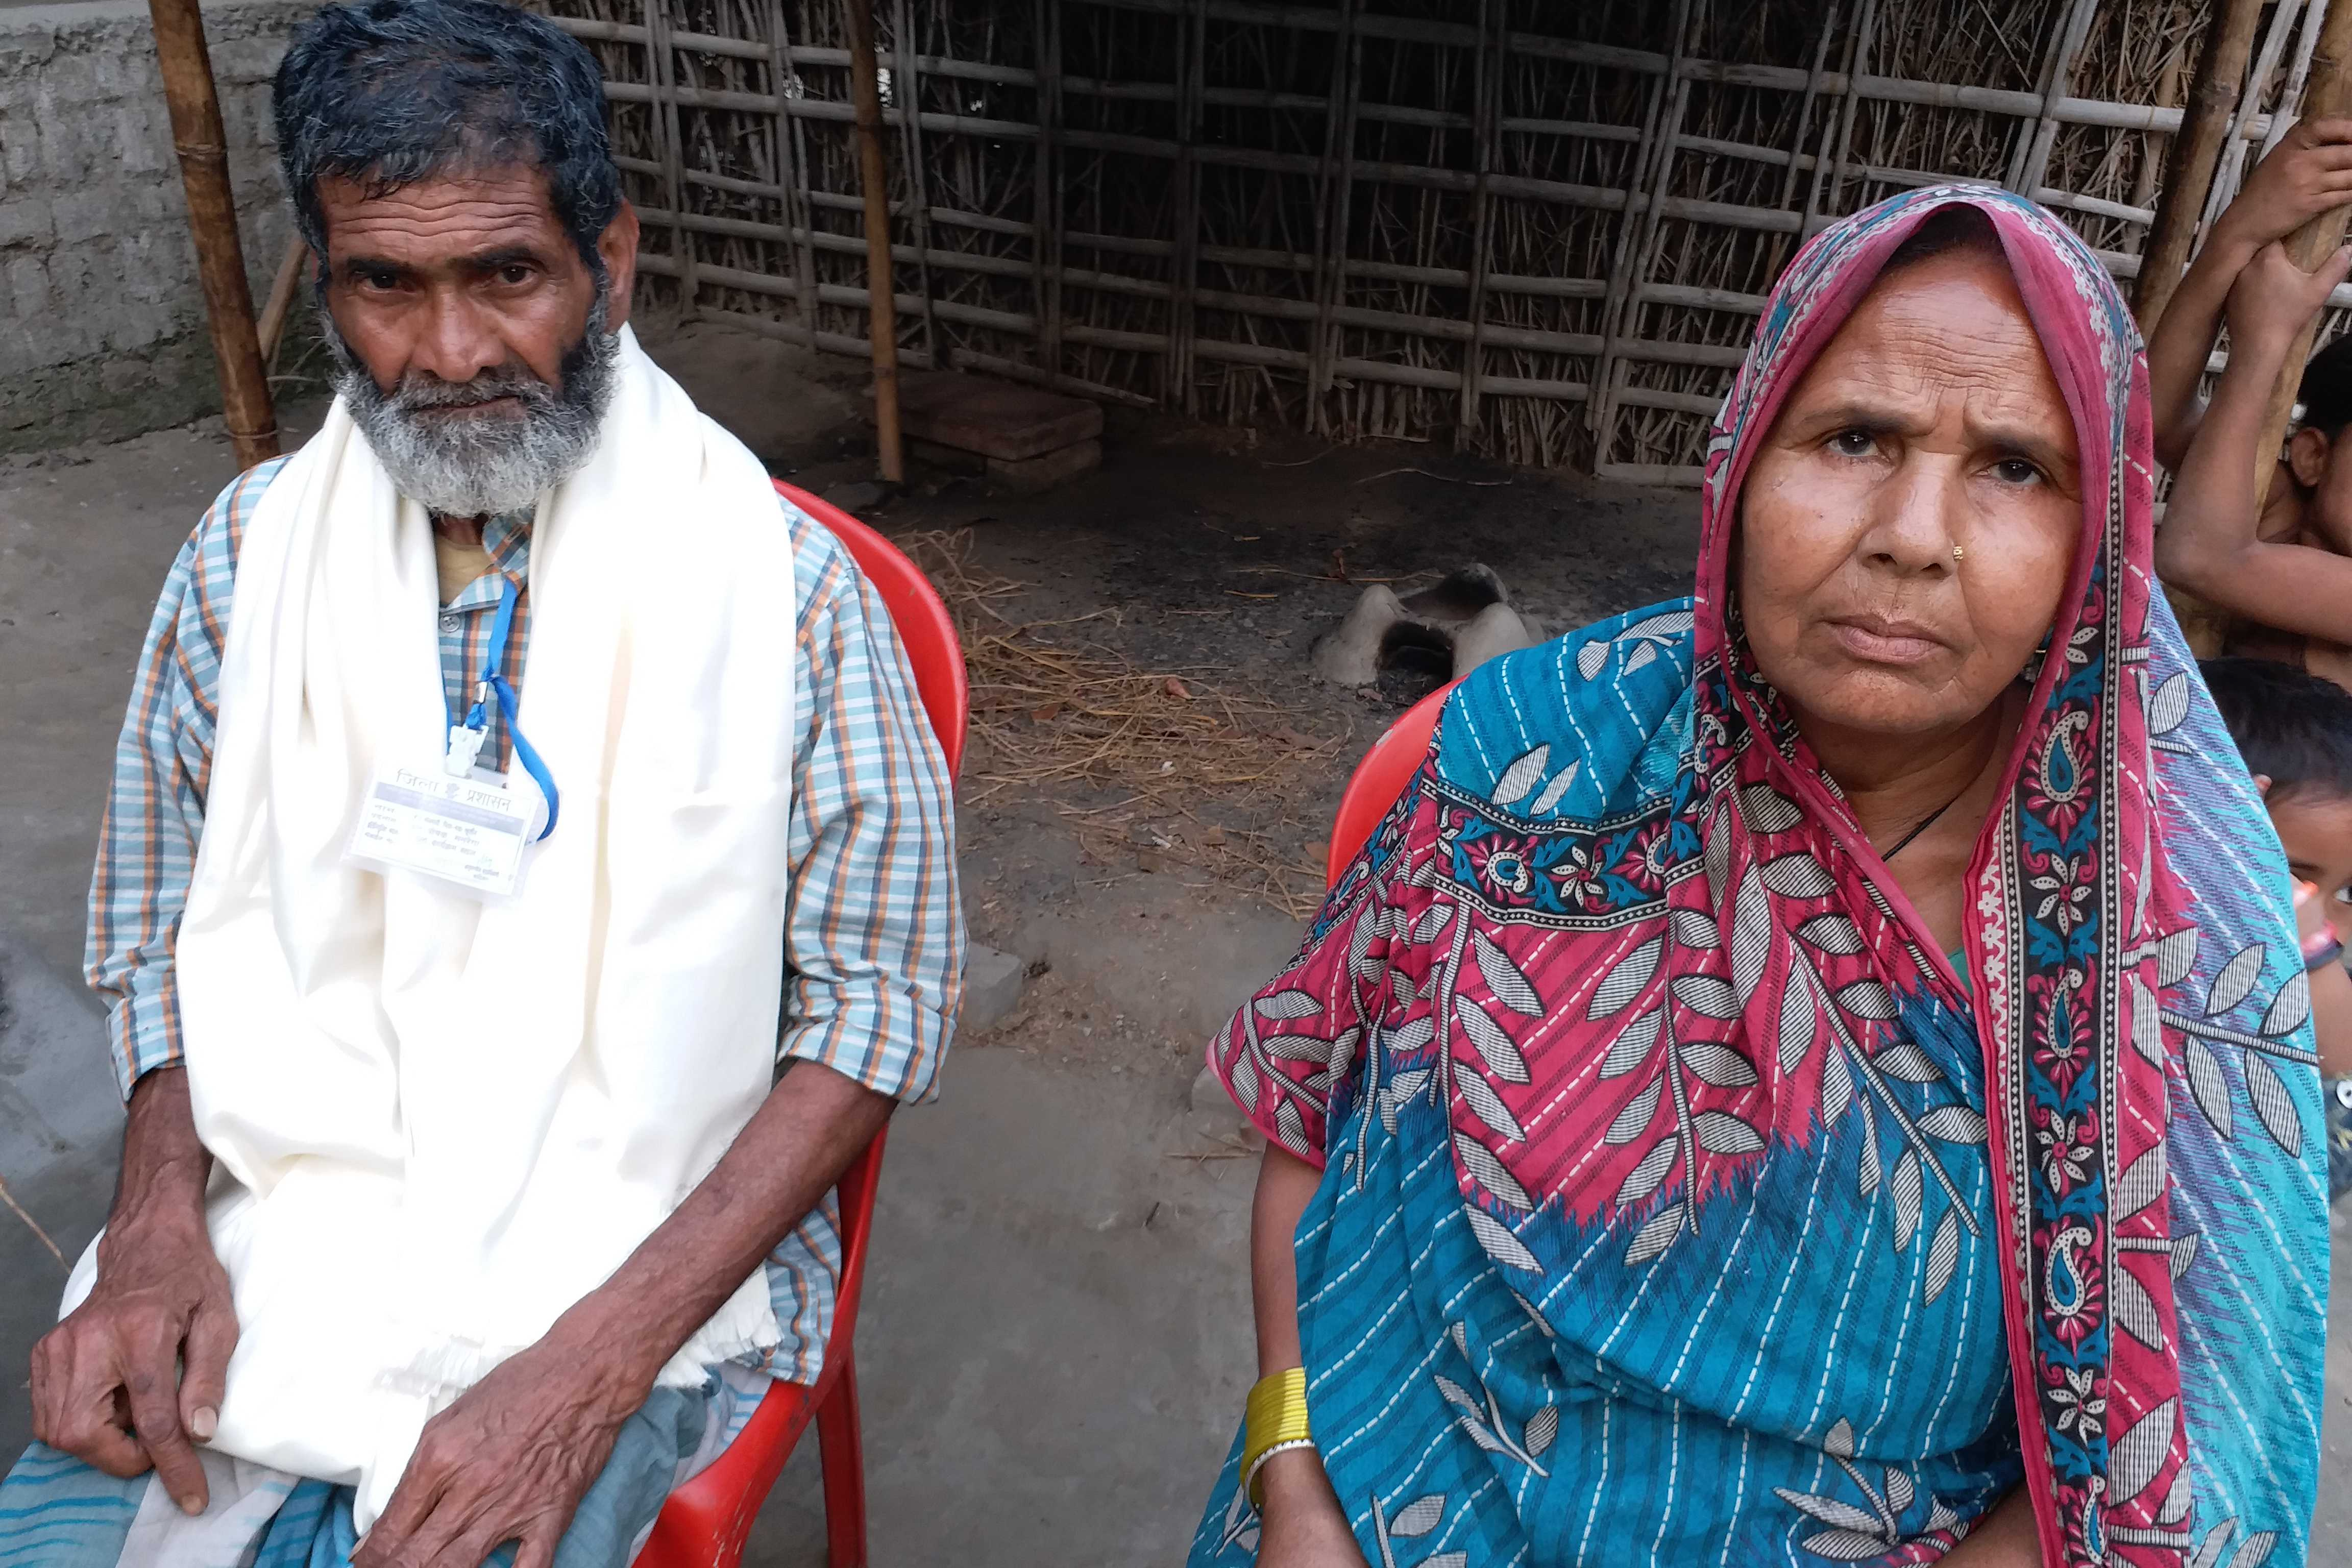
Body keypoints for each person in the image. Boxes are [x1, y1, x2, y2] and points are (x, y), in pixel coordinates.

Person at [1189, 191, 2328, 1568]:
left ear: (2099, 540)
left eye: (2017, 467)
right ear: (1743, 458)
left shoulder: (2175, 935)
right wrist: (1291, 1474)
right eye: (1856, 438)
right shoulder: (1541, 749)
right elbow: (1320, 1121)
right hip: (1373, 1500)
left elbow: (2163, 1469)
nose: (1915, 531)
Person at [0, 5, 962, 1568]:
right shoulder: (248, 563)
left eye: (507, 275)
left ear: (611, 259)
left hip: (637, 1242)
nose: (450, 354)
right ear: (329, 273)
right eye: (386, 283)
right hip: (288, 1207)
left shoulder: (782, 594)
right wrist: (156, 1220)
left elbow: (879, 1010)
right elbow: (156, 925)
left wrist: (591, 1367)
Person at [2144, 116, 2352, 683]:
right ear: (2312, 457)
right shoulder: (2278, 504)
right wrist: (2236, 236)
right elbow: (2156, 420)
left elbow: (2199, 558)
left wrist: (2262, 344)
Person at [2203, 655, 2352, 1198]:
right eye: (2285, 875)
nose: (2326, 918)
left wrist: (2312, 953)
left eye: (2350, 894)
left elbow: (2343, 1060)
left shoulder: (2320, 964)